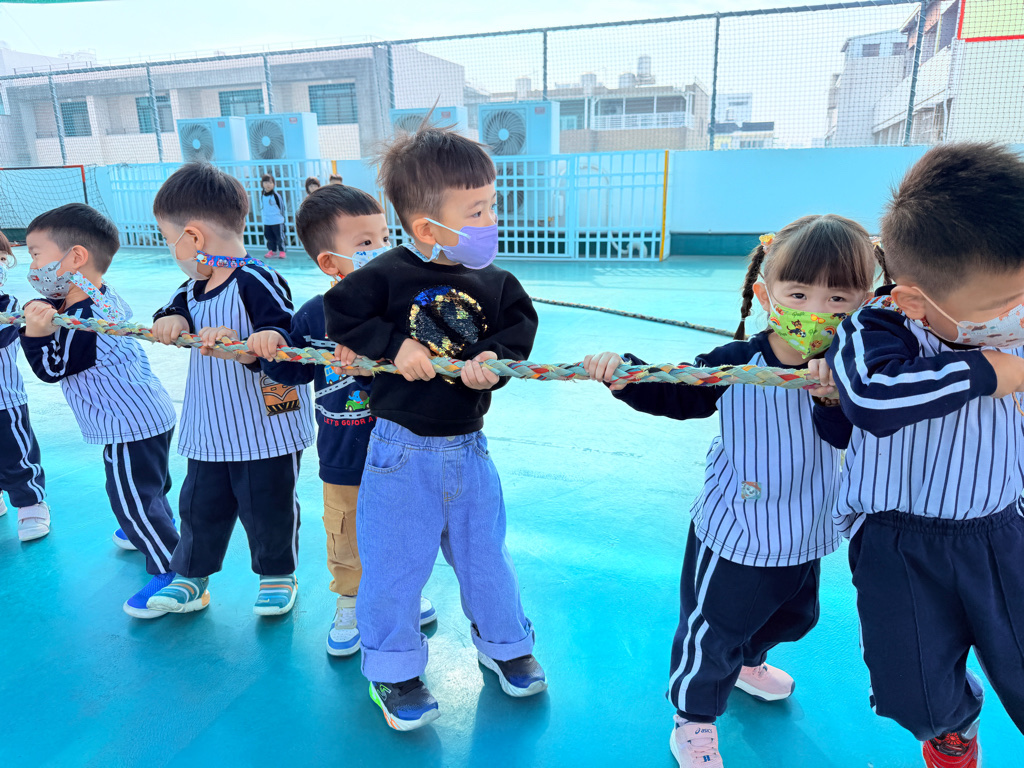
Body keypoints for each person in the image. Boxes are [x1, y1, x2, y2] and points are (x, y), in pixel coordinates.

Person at [586, 215, 875, 768]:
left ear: (862, 302)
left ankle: (747, 662)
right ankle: (692, 717)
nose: (816, 311)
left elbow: (845, 435)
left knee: (795, 616)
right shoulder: (738, 363)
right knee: (712, 632)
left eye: (837, 298)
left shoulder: (849, 370)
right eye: (798, 294)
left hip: (805, 525)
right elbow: (679, 393)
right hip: (738, 529)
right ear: (767, 296)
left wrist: (831, 399)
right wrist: (626, 374)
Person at [325, 126, 544, 731]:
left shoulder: (497, 283)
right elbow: (342, 314)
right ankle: (393, 670)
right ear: (427, 228)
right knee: (395, 567)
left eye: (491, 206)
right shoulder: (388, 274)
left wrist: (493, 360)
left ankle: (506, 645)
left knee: (487, 558)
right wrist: (393, 345)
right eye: (476, 212)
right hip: (400, 452)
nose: (490, 220)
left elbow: (519, 328)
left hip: (470, 450)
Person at [827, 143, 1024, 768]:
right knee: (912, 686)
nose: (1017, 315)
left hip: (1001, 530)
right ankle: (951, 729)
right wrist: (985, 371)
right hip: (898, 544)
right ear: (915, 300)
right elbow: (872, 399)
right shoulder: (875, 329)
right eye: (1003, 304)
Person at [257, 183, 437, 656]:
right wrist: (272, 345)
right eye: (365, 243)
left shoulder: (403, 314)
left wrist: (373, 363)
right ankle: (351, 601)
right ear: (330, 263)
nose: (383, 249)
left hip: (398, 450)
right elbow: (291, 371)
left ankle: (403, 594)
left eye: (385, 238)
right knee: (345, 531)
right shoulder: (314, 316)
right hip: (341, 455)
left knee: (401, 528)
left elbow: (418, 382)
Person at [146, 162, 313, 618]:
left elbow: (283, 336)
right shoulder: (192, 287)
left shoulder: (256, 278)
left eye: (169, 240)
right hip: (210, 425)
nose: (172, 251)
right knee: (199, 505)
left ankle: (277, 573)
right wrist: (170, 320)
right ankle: (191, 576)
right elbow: (171, 310)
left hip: (264, 426)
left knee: (269, 505)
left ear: (193, 237)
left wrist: (249, 346)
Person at [19, 204, 180, 617]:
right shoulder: (100, 296)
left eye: (36, 254)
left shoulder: (81, 320)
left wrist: (34, 333)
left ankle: (173, 570)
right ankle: (150, 527)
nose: (32, 266)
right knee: (149, 485)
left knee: (130, 498)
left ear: (75, 257)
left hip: (126, 425)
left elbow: (53, 367)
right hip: (150, 412)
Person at [0, 229, 49, 542]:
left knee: (16, 455)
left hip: (5, 401)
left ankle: (32, 504)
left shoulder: (9, 306)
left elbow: (6, 335)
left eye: (2, 259)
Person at [260, 173, 286, 259]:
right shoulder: (262, 195)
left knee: (279, 237)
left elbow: (282, 207)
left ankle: (282, 251)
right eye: (266, 182)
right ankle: (272, 250)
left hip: (277, 221)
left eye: (270, 182)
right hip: (267, 221)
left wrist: (281, 218)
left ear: (274, 184)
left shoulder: (276, 196)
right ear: (262, 184)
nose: (268, 184)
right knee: (269, 237)